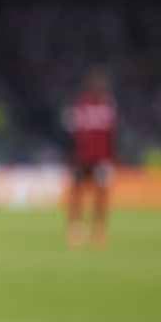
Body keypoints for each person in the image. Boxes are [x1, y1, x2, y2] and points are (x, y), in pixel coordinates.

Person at [64, 66, 117, 248]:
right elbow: (72, 135)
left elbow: (111, 136)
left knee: (100, 194)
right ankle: (76, 228)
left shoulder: (107, 106)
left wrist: (110, 159)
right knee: (77, 193)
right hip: (82, 158)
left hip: (100, 159)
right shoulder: (81, 105)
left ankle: (98, 228)